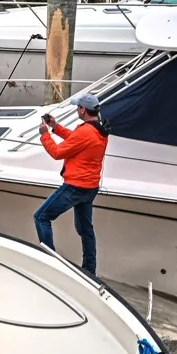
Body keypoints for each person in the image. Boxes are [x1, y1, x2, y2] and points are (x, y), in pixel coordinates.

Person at [34, 92, 109, 277]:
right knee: (85, 230)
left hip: (76, 187)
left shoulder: (85, 132)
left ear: (83, 110)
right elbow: (75, 139)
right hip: (90, 188)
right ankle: (90, 270)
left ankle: (50, 262)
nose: (77, 110)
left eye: (77, 107)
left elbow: (57, 153)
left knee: (41, 216)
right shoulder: (98, 129)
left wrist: (45, 135)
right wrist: (55, 127)